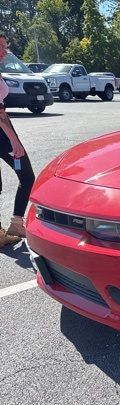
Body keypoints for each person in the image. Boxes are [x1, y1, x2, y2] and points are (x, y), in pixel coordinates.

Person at [0, 32, 34, 247]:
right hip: (2, 133)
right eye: (1, 47)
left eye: (5, 47)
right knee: (27, 176)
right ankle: (17, 222)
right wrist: (14, 140)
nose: (4, 52)